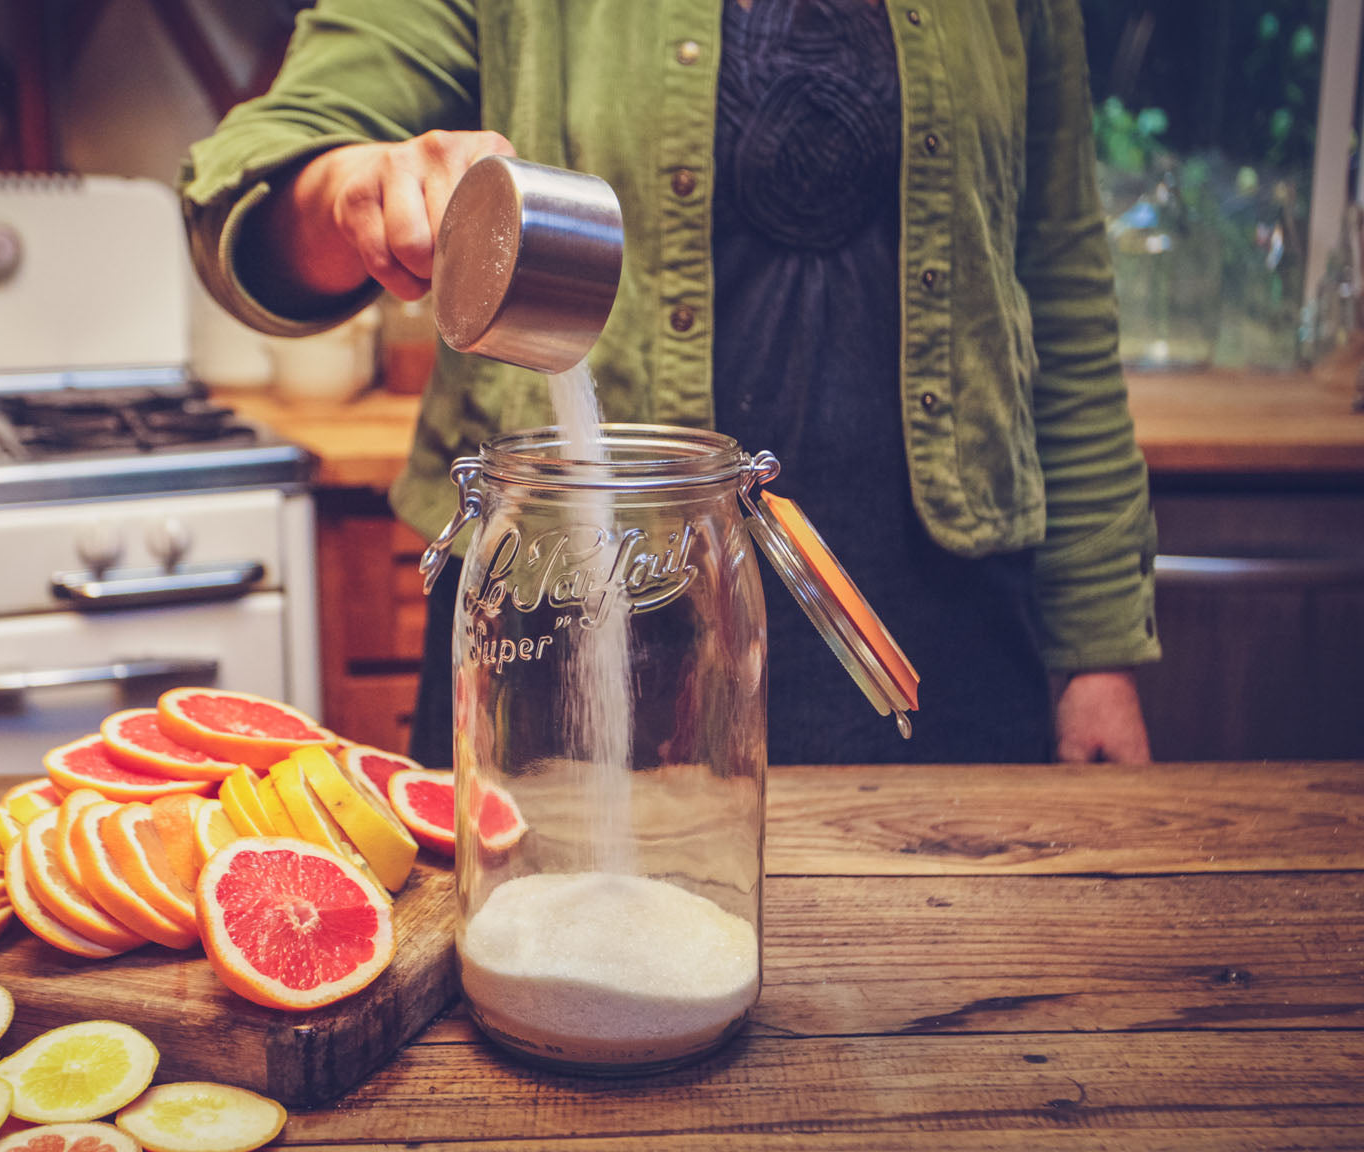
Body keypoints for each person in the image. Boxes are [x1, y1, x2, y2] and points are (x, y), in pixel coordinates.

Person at [180, 0, 1161, 767]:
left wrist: (1098, 653)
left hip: (946, 629)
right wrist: (350, 186)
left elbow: (1064, 292)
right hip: (573, 614)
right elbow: (249, 188)